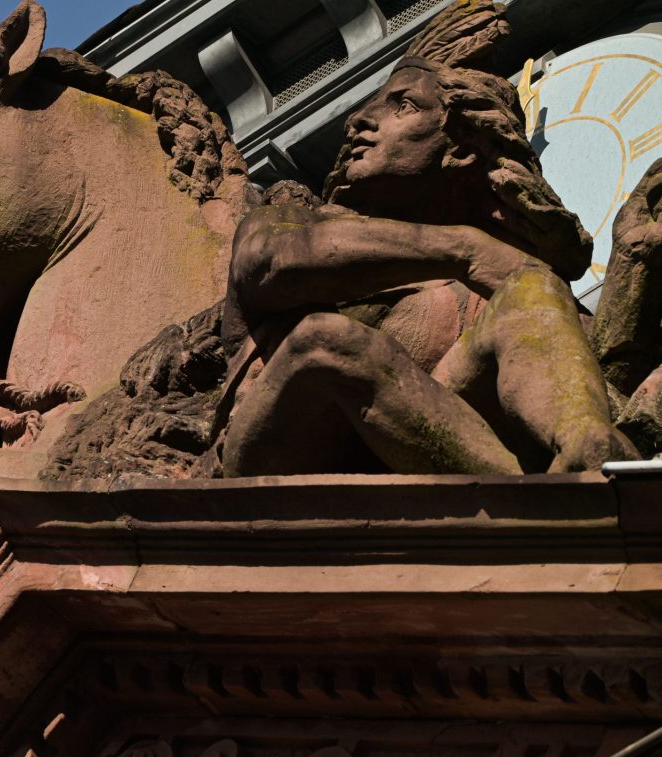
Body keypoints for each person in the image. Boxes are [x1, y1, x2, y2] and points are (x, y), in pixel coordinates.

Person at [219, 0, 636, 477]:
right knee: (325, 339)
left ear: (461, 149)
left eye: (404, 106)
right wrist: (463, 249)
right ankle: (529, 496)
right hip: (287, 438)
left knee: (534, 288)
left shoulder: (496, 281)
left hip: (429, 425)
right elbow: (265, 264)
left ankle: (585, 454)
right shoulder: (297, 220)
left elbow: (599, 368)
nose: (358, 121)